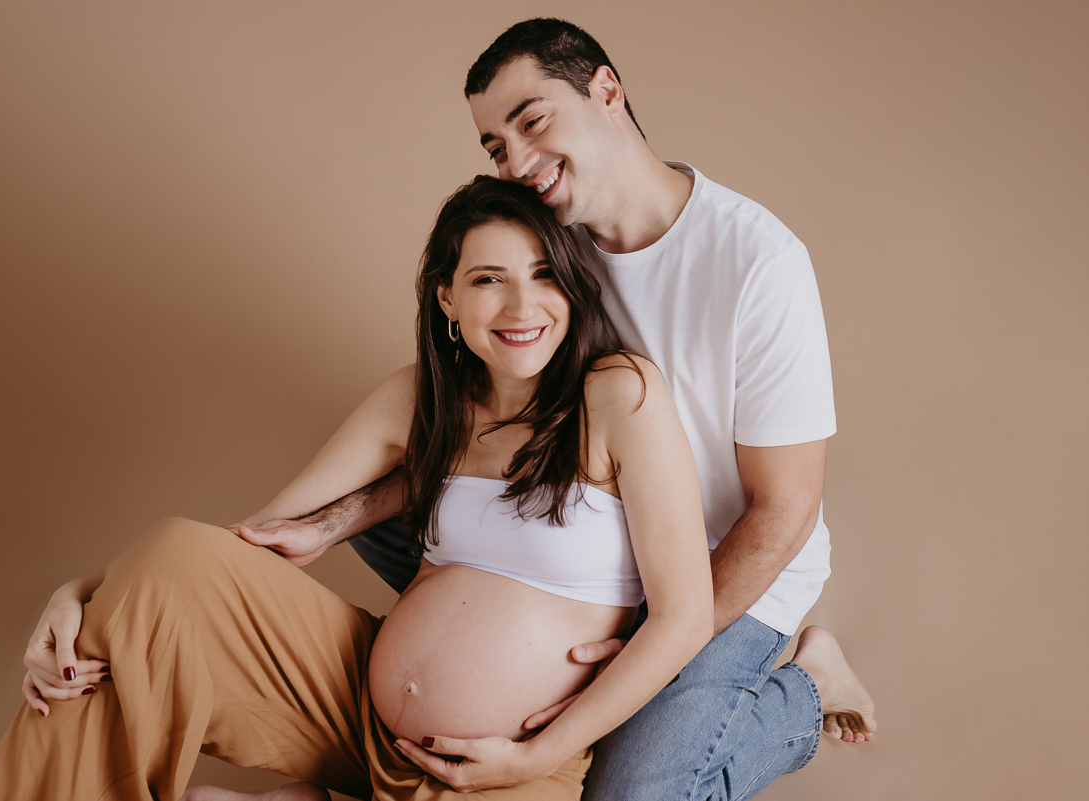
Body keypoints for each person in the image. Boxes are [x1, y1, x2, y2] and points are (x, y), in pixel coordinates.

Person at [252, 18, 877, 801]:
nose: (515, 160)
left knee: (632, 794)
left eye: (532, 120)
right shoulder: (547, 257)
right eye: (494, 146)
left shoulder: (756, 262)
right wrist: (332, 518)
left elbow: (784, 511)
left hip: (725, 570)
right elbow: (488, 446)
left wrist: (656, 641)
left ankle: (806, 692)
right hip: (592, 526)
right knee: (380, 482)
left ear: (608, 91)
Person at [0, 176, 715, 801]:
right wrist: (85, 592)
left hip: (510, 767)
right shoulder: (421, 398)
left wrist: (539, 751)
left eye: (543, 274)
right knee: (170, 562)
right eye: (489, 280)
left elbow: (683, 616)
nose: (524, 308)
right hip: (356, 712)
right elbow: (242, 542)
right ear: (447, 298)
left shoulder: (617, 395)